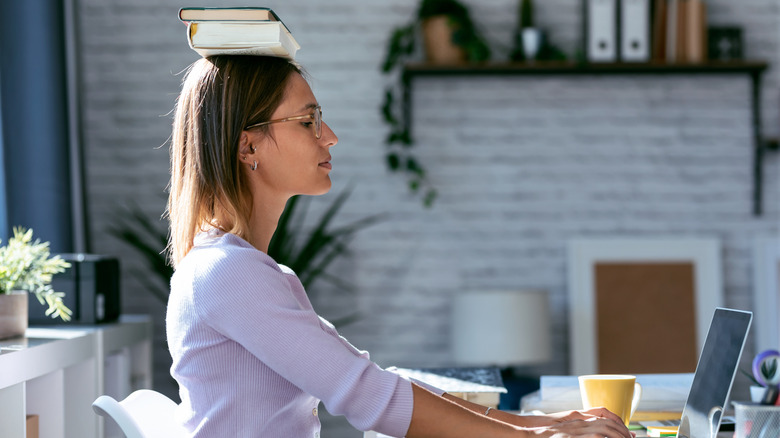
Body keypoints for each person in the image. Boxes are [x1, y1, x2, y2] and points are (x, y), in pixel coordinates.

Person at [165, 54, 633, 438]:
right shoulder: (228, 273)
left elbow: (371, 379)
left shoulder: (252, 273)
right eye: (308, 121)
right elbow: (365, 393)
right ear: (248, 148)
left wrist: (539, 425)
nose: (330, 137)